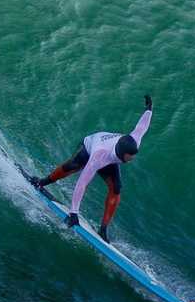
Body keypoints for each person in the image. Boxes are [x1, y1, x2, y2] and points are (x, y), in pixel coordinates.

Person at [28, 95, 153, 242]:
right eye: (130, 156)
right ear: (123, 154)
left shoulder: (134, 141)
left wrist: (149, 109)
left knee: (116, 189)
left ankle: (103, 229)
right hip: (90, 148)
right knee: (72, 167)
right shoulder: (99, 155)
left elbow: (142, 127)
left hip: (111, 157)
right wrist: (73, 213)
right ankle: (42, 182)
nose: (133, 158)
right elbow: (82, 183)